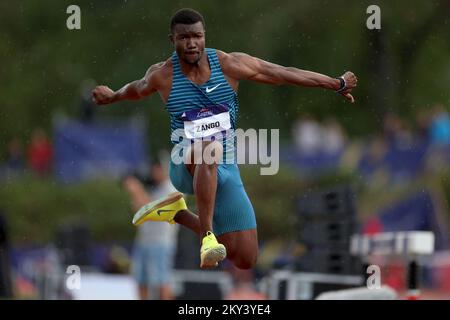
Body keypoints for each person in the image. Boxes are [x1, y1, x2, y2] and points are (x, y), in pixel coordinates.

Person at [92, 8, 357, 270]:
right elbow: (136, 90)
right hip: (185, 162)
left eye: (197, 36)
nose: (192, 43)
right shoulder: (163, 75)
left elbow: (281, 73)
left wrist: (336, 84)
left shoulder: (228, 64)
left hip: (225, 167)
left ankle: (177, 214)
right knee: (209, 148)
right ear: (172, 41)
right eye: (184, 38)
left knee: (245, 257)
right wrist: (112, 96)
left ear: (204, 36)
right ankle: (207, 237)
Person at [121, 160, 179, 300]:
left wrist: (137, 189)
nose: (154, 173)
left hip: (160, 242)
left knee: (162, 280)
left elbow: (152, 210)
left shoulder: (172, 189)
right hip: (143, 241)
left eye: (157, 169)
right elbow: (138, 210)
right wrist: (136, 193)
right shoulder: (155, 188)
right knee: (141, 280)